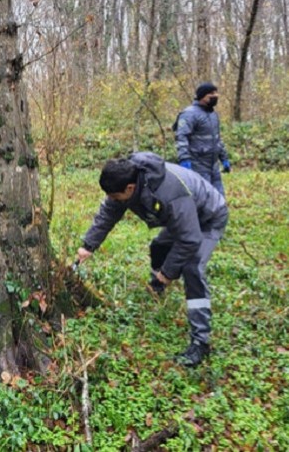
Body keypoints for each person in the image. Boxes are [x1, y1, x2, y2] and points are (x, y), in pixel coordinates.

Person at [75, 152, 228, 367]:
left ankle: (200, 342)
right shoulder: (127, 179)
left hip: (208, 217)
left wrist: (168, 272)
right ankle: (156, 289)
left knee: (192, 268)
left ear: (129, 189)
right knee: (159, 246)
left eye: (115, 196)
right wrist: (88, 245)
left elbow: (190, 239)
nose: (112, 200)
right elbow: (109, 212)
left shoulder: (168, 193)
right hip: (184, 219)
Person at [174, 82, 231, 196]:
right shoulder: (189, 114)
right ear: (202, 96)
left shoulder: (213, 115)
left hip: (213, 165)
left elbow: (217, 139)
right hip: (197, 165)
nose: (216, 96)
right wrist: (184, 159)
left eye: (216, 93)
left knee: (219, 198)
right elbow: (181, 137)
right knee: (202, 198)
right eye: (211, 94)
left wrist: (224, 158)